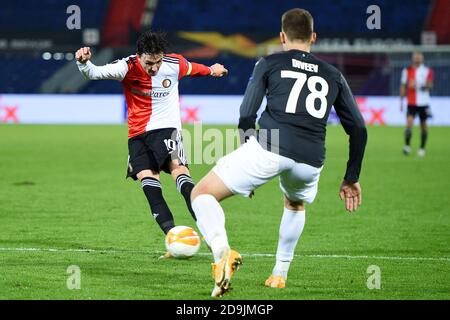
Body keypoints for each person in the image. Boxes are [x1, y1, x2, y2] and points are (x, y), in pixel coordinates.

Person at [190, 8, 368, 297]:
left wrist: (248, 155)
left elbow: (247, 114)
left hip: (270, 147)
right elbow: (359, 129)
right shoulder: (333, 74)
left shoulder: (269, 63)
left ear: (282, 36)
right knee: (295, 204)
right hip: (311, 160)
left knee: (201, 194)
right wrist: (351, 176)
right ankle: (279, 275)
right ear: (313, 37)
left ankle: (222, 254)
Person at [75, 31, 228, 257]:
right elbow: (93, 73)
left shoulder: (174, 63)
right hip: (138, 136)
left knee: (181, 174)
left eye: (158, 62)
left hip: (168, 129)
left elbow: (197, 69)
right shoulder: (125, 67)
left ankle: (212, 236)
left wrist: (213, 70)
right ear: (139, 56)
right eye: (149, 63)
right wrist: (83, 63)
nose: (154, 68)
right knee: (150, 186)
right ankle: (175, 239)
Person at [400, 52, 433, 157]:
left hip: (424, 103)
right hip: (411, 102)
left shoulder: (428, 71)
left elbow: (430, 85)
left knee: (423, 126)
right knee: (409, 124)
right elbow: (403, 86)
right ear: (413, 59)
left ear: (422, 59)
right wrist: (401, 101)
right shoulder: (407, 70)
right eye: (416, 57)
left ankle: (422, 148)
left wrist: (417, 85)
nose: (417, 59)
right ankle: (407, 146)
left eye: (419, 57)